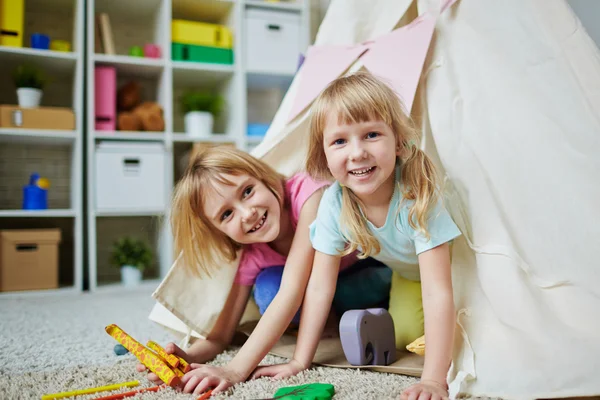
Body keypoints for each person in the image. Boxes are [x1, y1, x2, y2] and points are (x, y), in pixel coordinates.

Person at [252, 72, 462, 400]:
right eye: (340, 141)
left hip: (456, 274)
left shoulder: (416, 193)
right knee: (404, 337)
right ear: (323, 155)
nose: (357, 153)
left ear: (398, 141)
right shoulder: (334, 203)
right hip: (408, 275)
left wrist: (434, 379)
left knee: (462, 335)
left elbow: (438, 290)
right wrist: (299, 360)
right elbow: (320, 287)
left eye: (372, 135)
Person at [137, 145, 391, 395]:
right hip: (321, 295)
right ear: (219, 232)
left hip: (360, 271)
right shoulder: (251, 255)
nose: (247, 214)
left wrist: (236, 369)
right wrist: (188, 357)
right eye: (226, 215)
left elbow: (292, 290)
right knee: (268, 289)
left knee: (381, 278)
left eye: (247, 191)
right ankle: (331, 318)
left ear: (264, 178)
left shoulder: (310, 195)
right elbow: (220, 336)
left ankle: (362, 313)